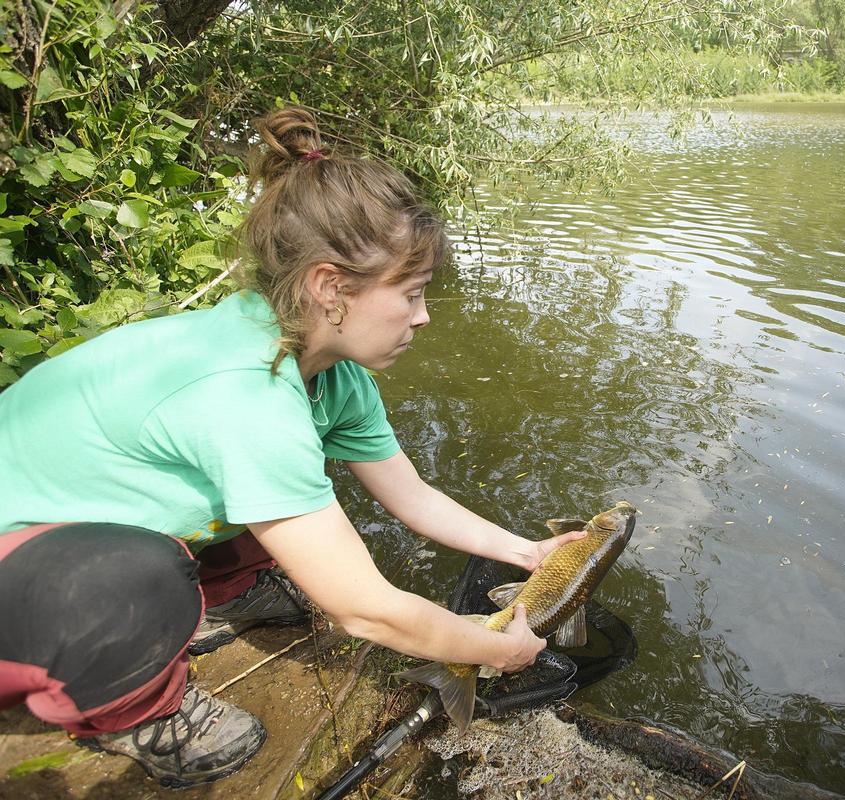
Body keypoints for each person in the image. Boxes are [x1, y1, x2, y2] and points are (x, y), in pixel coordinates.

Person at [0, 106, 584, 787]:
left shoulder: (329, 374)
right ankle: (139, 712)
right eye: (412, 294)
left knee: (294, 502)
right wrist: (494, 649)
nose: (424, 317)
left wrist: (529, 554)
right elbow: (361, 607)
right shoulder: (246, 394)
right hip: (31, 574)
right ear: (331, 288)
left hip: (73, 525)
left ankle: (228, 591)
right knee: (137, 582)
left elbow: (413, 497)